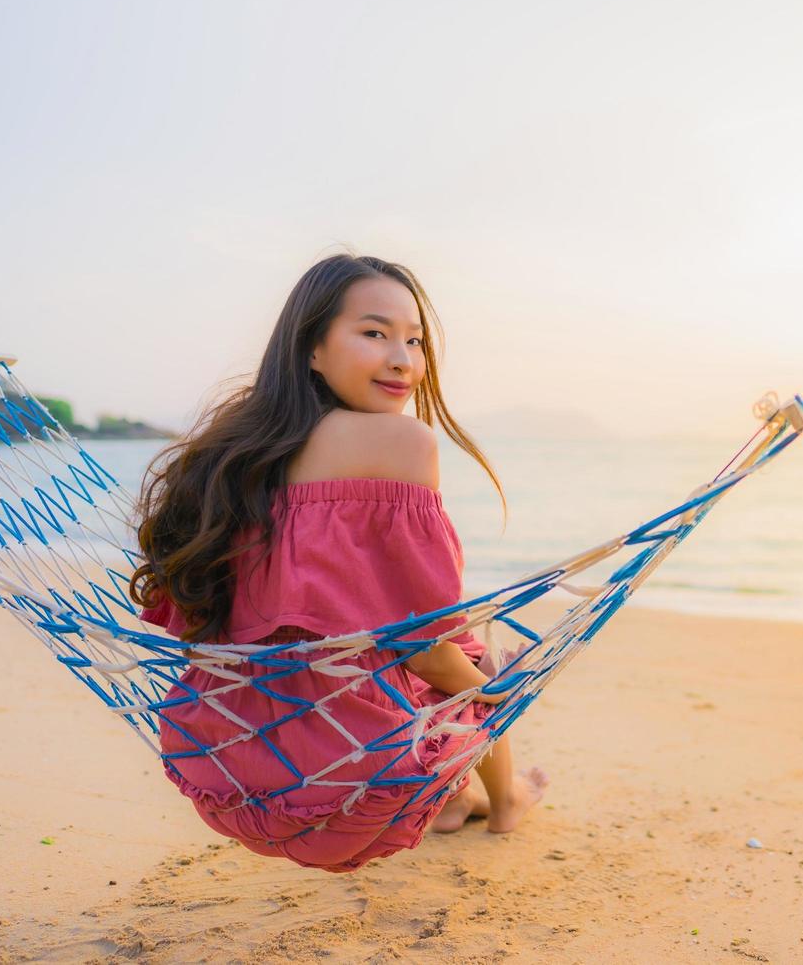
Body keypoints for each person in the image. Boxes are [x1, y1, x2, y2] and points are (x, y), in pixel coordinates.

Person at [130, 253, 548, 873]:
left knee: (416, 659)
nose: (403, 360)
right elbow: (426, 645)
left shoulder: (234, 456)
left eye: (415, 340)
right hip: (350, 765)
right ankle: (507, 801)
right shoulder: (402, 442)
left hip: (226, 754)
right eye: (374, 333)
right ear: (312, 348)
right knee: (477, 662)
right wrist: (502, 696)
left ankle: (456, 800)